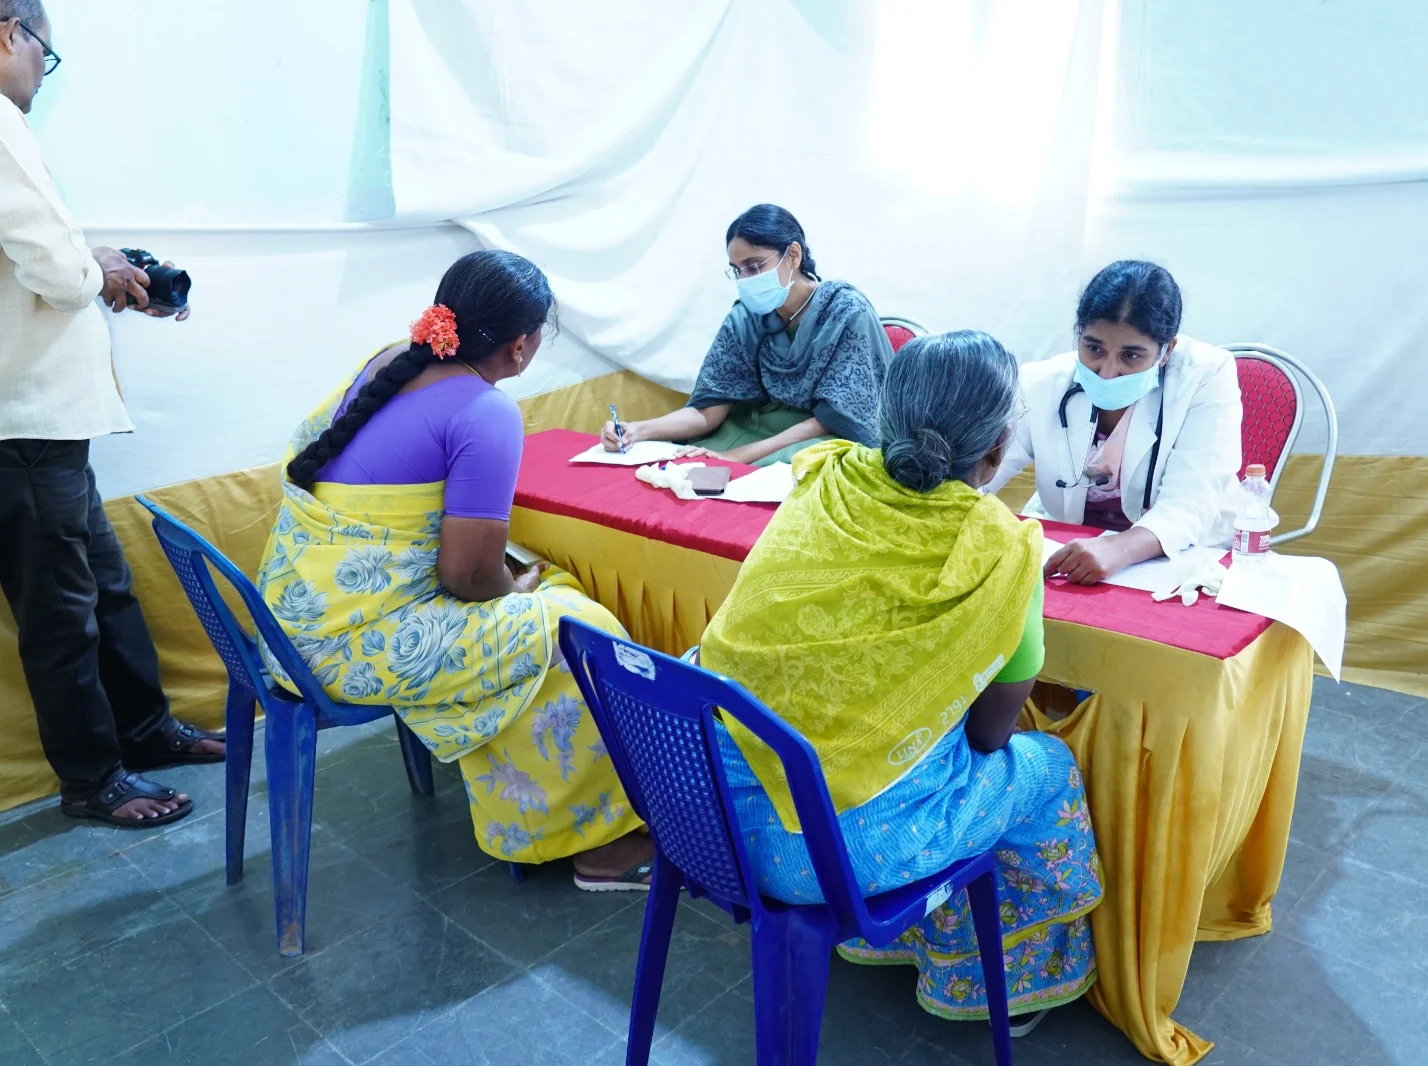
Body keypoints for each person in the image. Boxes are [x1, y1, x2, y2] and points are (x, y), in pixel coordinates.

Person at [699, 331, 1102, 1033]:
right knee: (1047, 768)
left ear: (886, 415)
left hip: (704, 815)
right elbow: (986, 736)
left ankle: (893, 942)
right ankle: (990, 982)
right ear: (998, 449)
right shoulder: (1002, 550)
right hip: (820, 859)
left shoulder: (824, 476)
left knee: (879, 752)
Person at [257, 250, 652, 890]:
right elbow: (467, 576)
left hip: (289, 620)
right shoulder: (486, 412)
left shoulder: (388, 360)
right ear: (521, 347)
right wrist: (517, 587)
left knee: (541, 600)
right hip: (343, 648)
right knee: (578, 623)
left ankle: (541, 809)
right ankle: (598, 845)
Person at [0, 0, 222, 829]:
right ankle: (93, 779)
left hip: (44, 425)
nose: (36, 80)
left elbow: (37, 261)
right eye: (43, 59)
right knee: (63, 616)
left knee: (104, 589)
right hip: (24, 428)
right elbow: (57, 274)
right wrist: (98, 270)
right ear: (8, 32)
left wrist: (93, 266)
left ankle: (146, 730)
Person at [985, 260, 1243, 585]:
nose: (1107, 372)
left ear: (1166, 351)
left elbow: (1191, 500)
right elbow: (981, 470)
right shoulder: (1042, 383)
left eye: (1131, 356)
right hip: (1071, 542)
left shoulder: (1204, 376)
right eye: (1093, 348)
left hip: (1184, 552)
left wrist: (1118, 549)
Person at [601, 204, 894, 467]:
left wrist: (742, 455)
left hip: (823, 433)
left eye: (754, 266)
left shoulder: (846, 313)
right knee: (685, 463)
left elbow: (838, 416)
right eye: (737, 270)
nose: (745, 280)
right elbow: (709, 412)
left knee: (801, 469)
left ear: (793, 255)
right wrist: (639, 430)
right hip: (756, 424)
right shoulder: (746, 317)